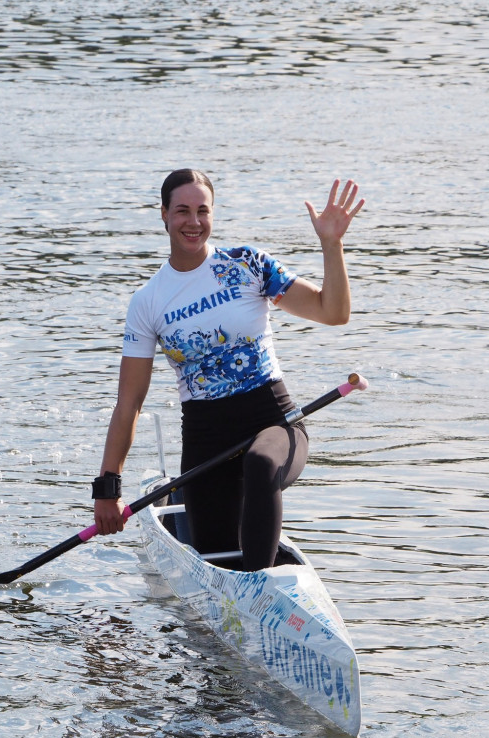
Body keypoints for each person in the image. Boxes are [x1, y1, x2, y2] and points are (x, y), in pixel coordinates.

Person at [90, 169, 364, 571]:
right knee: (216, 553)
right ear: (163, 214)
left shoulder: (248, 264)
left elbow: (333, 312)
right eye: (182, 211)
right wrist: (108, 488)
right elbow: (129, 403)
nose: (194, 221)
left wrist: (331, 244)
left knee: (261, 463)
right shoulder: (147, 302)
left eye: (203, 210)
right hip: (207, 442)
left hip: (275, 423)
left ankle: (262, 583)